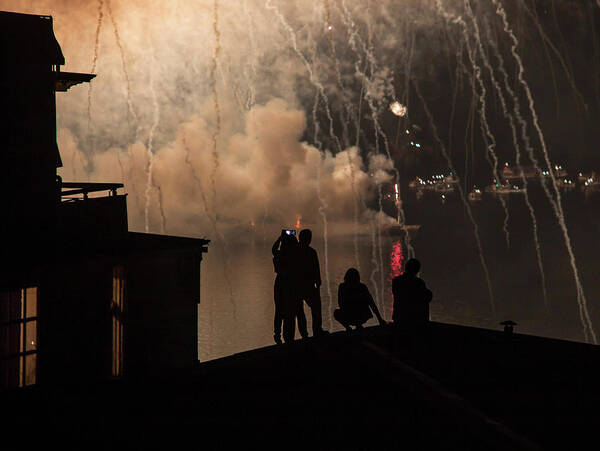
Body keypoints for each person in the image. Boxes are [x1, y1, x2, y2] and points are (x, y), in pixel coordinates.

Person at [272, 231, 307, 344]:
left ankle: (278, 335)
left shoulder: (279, 256)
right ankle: (304, 334)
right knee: (298, 310)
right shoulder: (296, 256)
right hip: (294, 284)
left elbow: (273, 249)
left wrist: (280, 238)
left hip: (280, 284)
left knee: (279, 310)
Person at [296, 229, 328, 336]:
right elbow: (316, 270)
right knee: (315, 309)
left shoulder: (294, 251)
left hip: (298, 286)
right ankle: (316, 330)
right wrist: (318, 283)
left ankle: (305, 333)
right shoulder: (311, 252)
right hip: (308, 285)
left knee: (300, 311)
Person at [392, 258, 432, 326]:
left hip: (399, 317)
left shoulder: (396, 281)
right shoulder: (418, 282)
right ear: (417, 270)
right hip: (414, 318)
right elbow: (427, 297)